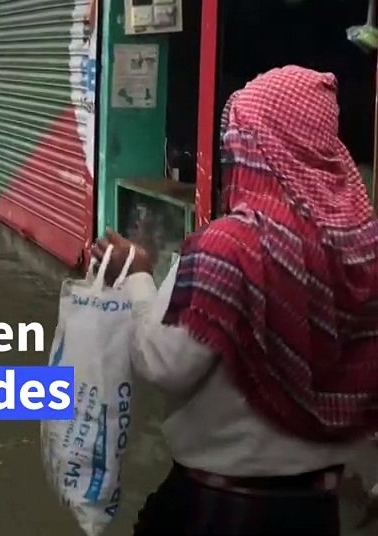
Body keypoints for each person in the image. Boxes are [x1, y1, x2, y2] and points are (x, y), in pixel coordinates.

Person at [92, 66, 378, 536]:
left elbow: (165, 363)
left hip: (222, 509)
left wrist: (139, 276)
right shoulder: (361, 248)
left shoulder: (232, 247)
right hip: (316, 513)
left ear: (256, 145)